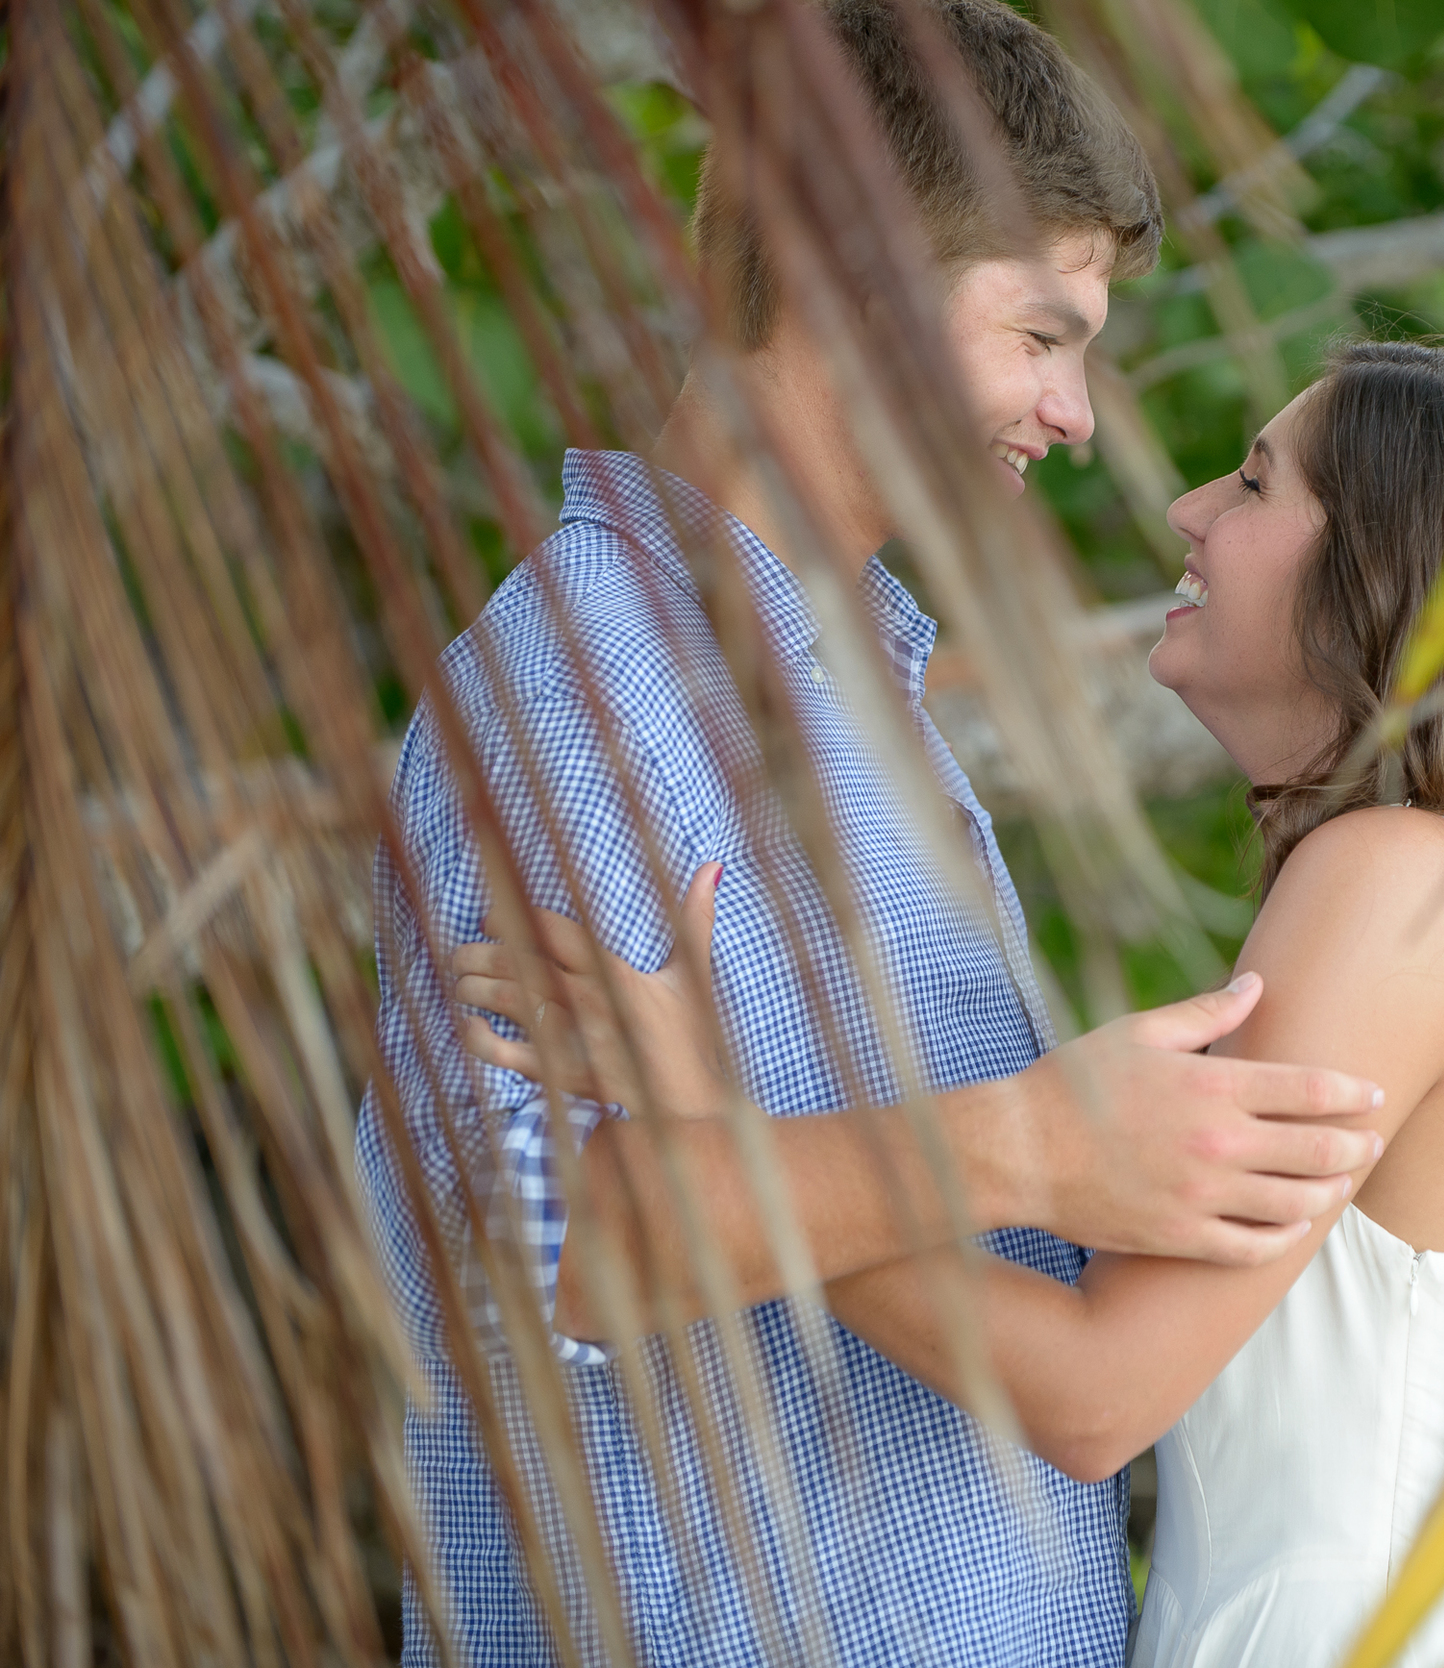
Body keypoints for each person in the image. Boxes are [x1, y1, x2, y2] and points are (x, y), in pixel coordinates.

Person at [355, 4, 1383, 1663]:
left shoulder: (850, 690)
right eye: (1043, 336)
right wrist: (1036, 1147)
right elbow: (537, 1257)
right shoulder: (585, 697)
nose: (1074, 414)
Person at [455, 340, 1444, 1666]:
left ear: (1381, 574)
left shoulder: (1404, 881)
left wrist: (721, 1113)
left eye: (1252, 482)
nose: (1188, 510)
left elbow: (1095, 1396)